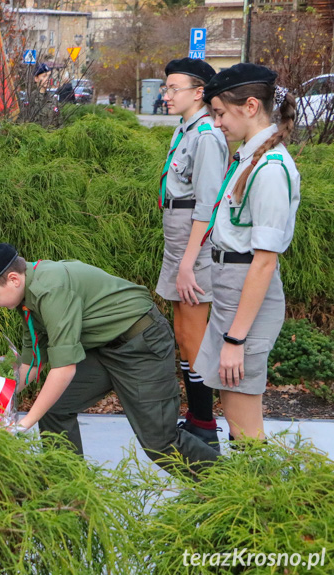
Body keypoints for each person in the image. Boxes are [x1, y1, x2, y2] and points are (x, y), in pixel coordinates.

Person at [0, 244, 221, 473]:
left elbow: (64, 369)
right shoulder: (27, 298)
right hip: (104, 348)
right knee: (55, 408)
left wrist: (22, 424)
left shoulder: (50, 288)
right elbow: (32, 360)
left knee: (160, 442)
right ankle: (71, 496)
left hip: (140, 344)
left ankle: (233, 489)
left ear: (13, 279)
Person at [193, 64, 300, 442]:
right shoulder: (250, 158)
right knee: (235, 422)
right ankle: (243, 493)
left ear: (250, 106)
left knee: (244, 430)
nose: (216, 123)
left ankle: (256, 498)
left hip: (247, 298)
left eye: (220, 113)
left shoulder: (270, 169)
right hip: (230, 291)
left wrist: (236, 340)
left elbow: (265, 262)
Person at [157, 58, 229, 451]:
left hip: (194, 245)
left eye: (173, 88)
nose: (165, 95)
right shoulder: (185, 130)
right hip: (178, 239)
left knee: (196, 335)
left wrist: (187, 263)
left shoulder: (206, 136)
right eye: (166, 88)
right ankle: (196, 416)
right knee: (185, 335)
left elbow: (208, 206)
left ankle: (205, 422)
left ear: (199, 92)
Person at [26, 63, 59, 129]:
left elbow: (59, 122)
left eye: (48, 76)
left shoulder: (53, 99)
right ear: (36, 78)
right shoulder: (31, 99)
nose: (47, 79)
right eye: (44, 76)